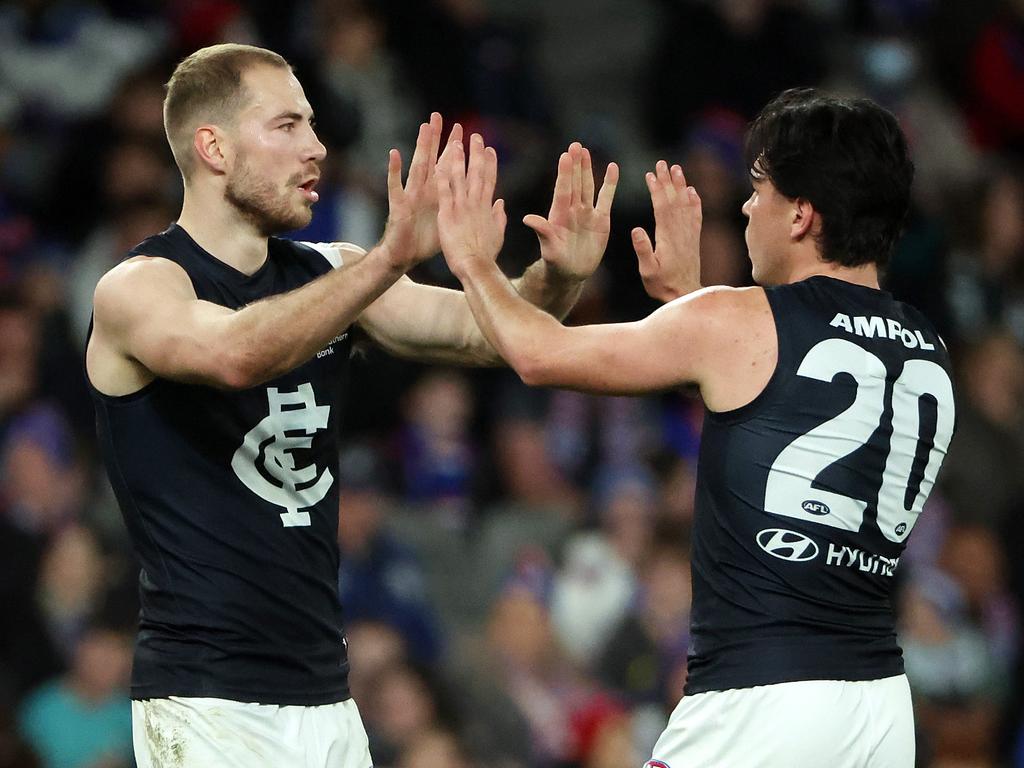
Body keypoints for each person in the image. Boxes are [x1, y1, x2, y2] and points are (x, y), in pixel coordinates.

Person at [85, 43, 617, 768]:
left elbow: (492, 334)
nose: (317, 147)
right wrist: (388, 259)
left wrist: (558, 277)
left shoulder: (331, 272)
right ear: (212, 146)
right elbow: (235, 354)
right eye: (286, 126)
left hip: (328, 701)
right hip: (208, 701)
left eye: (313, 125)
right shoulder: (138, 288)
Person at [435, 88, 957, 767]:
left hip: (760, 699)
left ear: (800, 214)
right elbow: (782, 410)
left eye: (760, 188)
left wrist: (474, 261)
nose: (744, 206)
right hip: (880, 708)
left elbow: (538, 356)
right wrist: (686, 307)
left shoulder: (736, 320)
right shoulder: (930, 349)